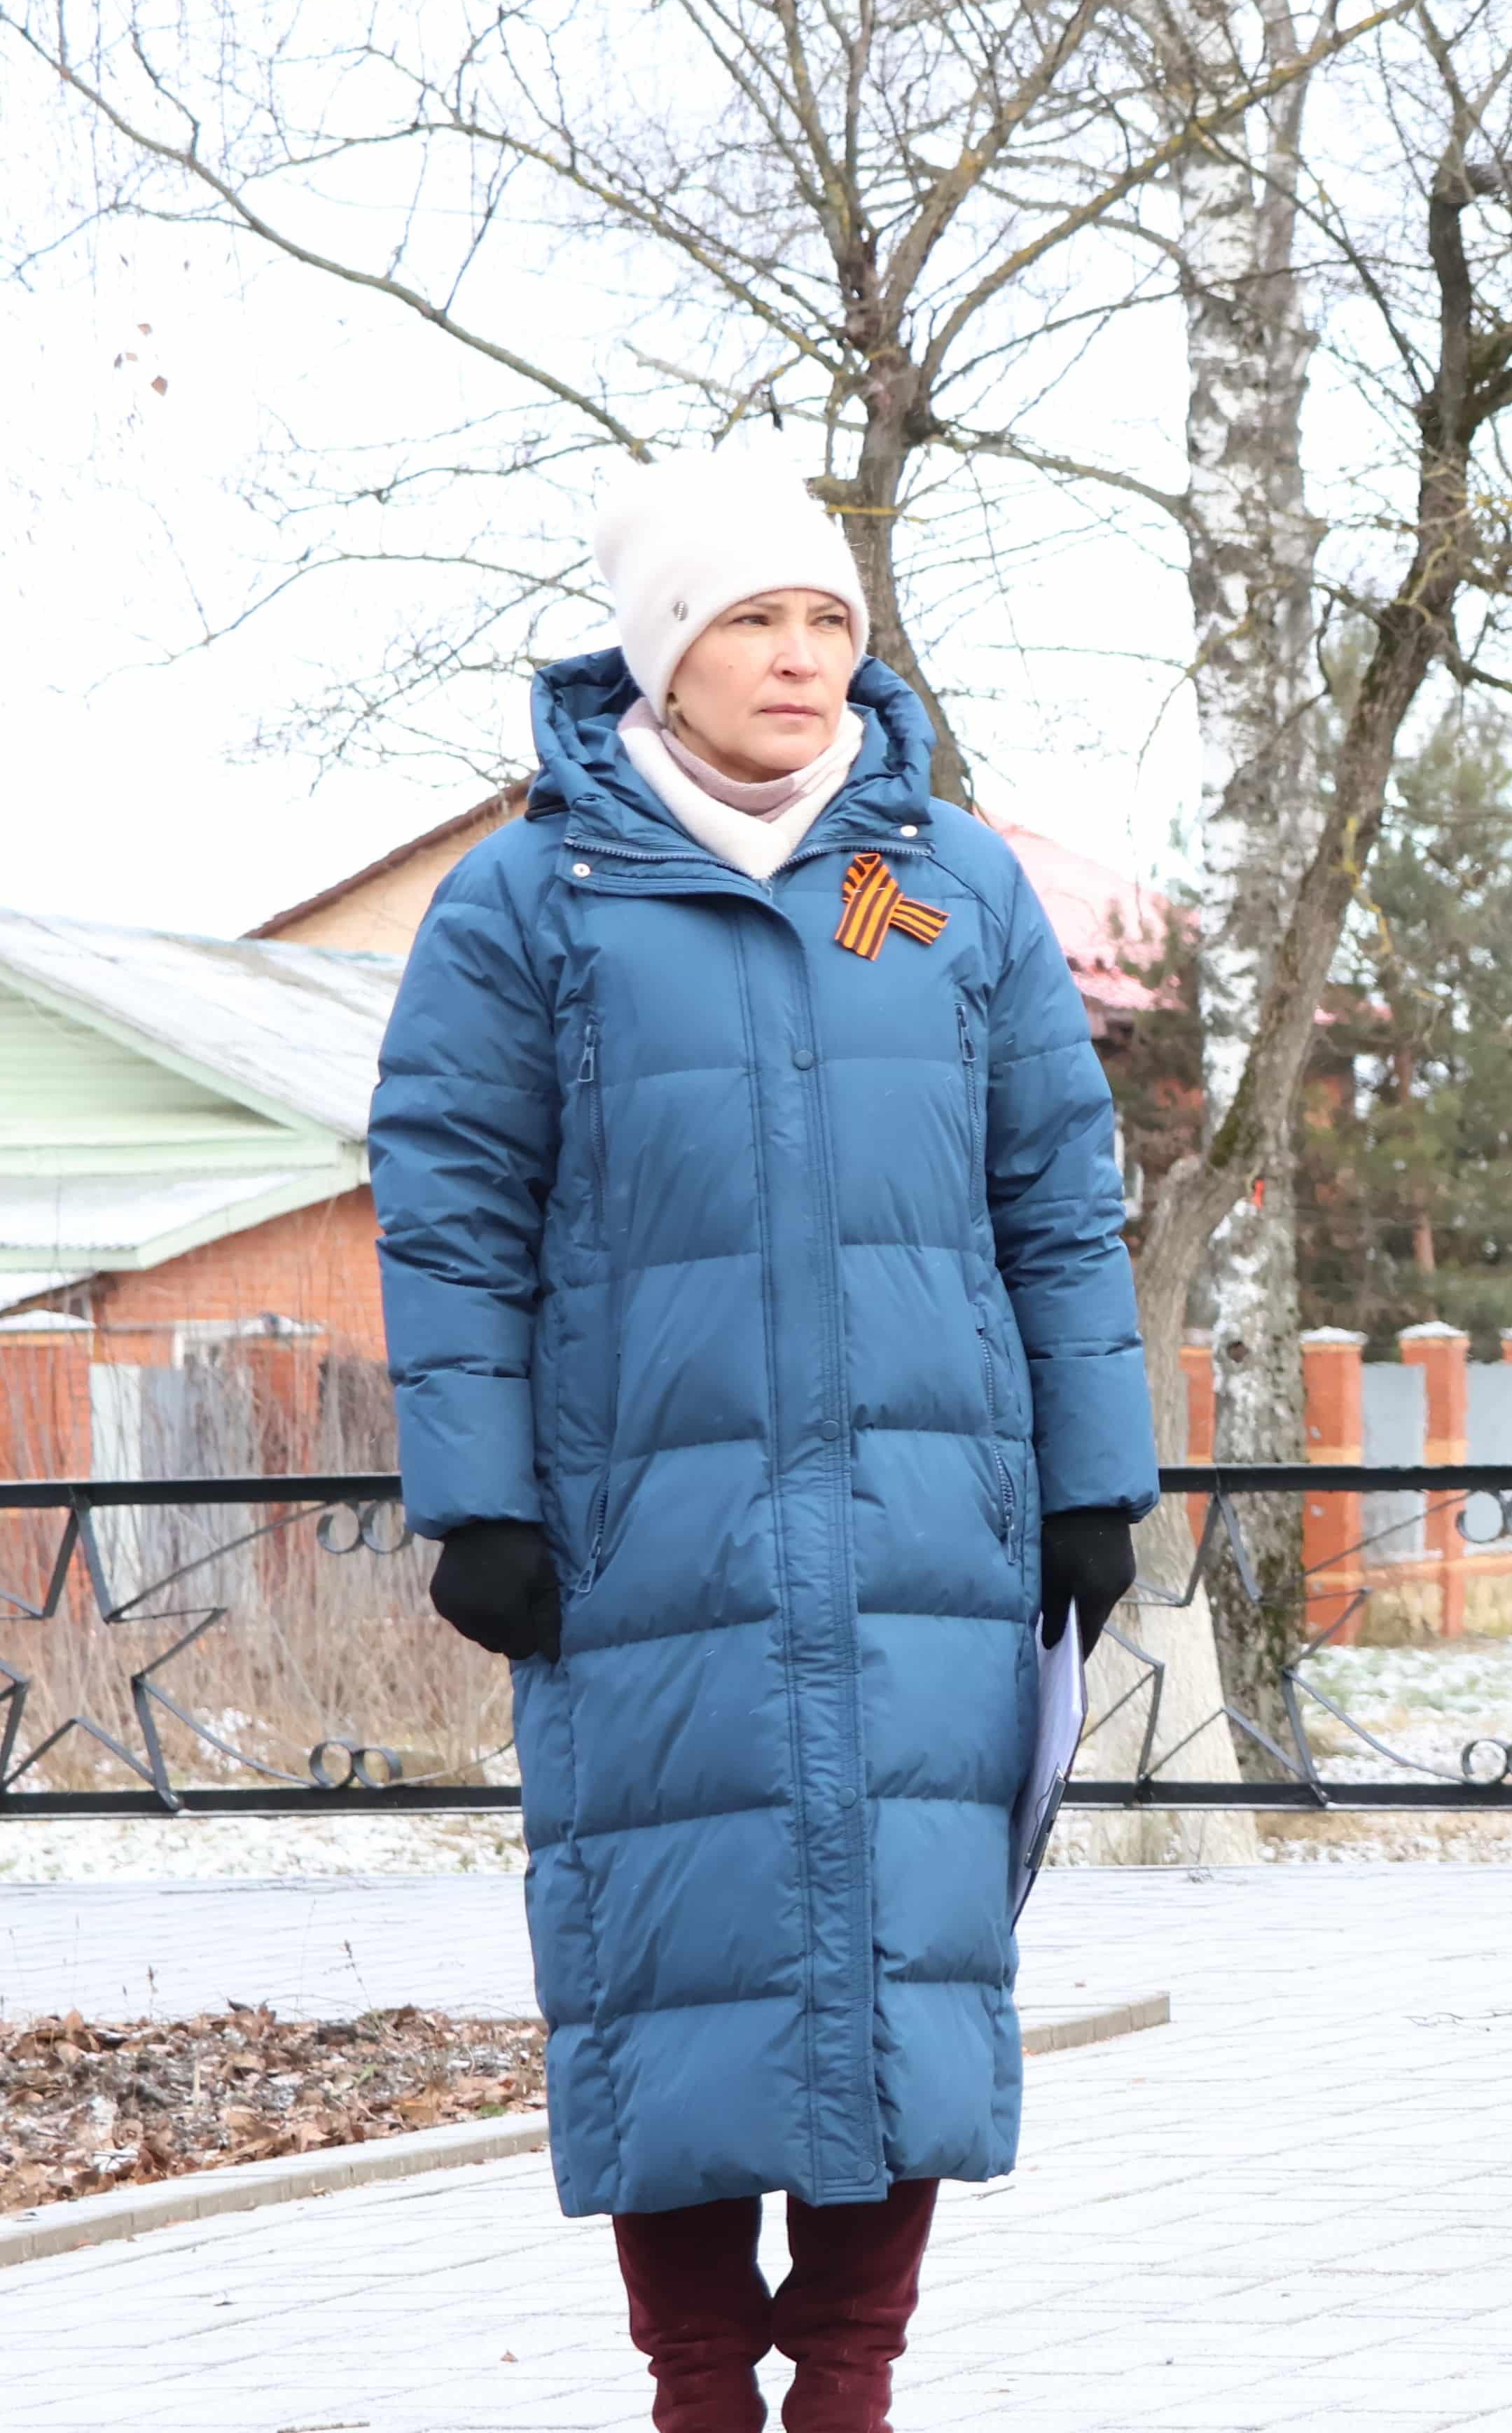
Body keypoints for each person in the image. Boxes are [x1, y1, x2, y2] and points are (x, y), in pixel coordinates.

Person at [373, 448, 1155, 2433]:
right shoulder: (529, 898)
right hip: (653, 1538)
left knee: (912, 1961)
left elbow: (1058, 1195)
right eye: (753, 621)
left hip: (925, 1519)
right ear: (665, 651)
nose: (801, 660)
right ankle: (705, 2386)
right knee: (676, 1964)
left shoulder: (951, 882)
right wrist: (478, 1499)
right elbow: (452, 1202)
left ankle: (853, 2388)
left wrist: (1087, 1472)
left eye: (828, 622)